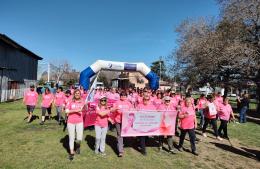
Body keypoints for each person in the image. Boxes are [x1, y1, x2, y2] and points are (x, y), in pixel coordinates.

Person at [65, 89, 85, 160]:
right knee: (71, 138)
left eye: (78, 93)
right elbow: (66, 111)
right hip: (70, 122)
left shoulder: (83, 101)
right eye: (76, 93)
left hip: (79, 122)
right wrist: (75, 110)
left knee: (79, 138)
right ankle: (71, 152)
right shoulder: (70, 101)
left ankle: (78, 146)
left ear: (80, 94)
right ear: (74, 94)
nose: (77, 94)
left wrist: (86, 105)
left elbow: (85, 109)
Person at [112, 92, 133, 157]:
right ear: (120, 96)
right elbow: (112, 110)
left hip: (126, 121)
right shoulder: (117, 102)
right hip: (118, 121)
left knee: (124, 134)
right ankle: (120, 151)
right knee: (119, 134)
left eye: (124, 96)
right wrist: (115, 109)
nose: (123, 97)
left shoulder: (128, 103)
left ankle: (122, 144)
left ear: (126, 96)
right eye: (122, 95)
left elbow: (132, 110)